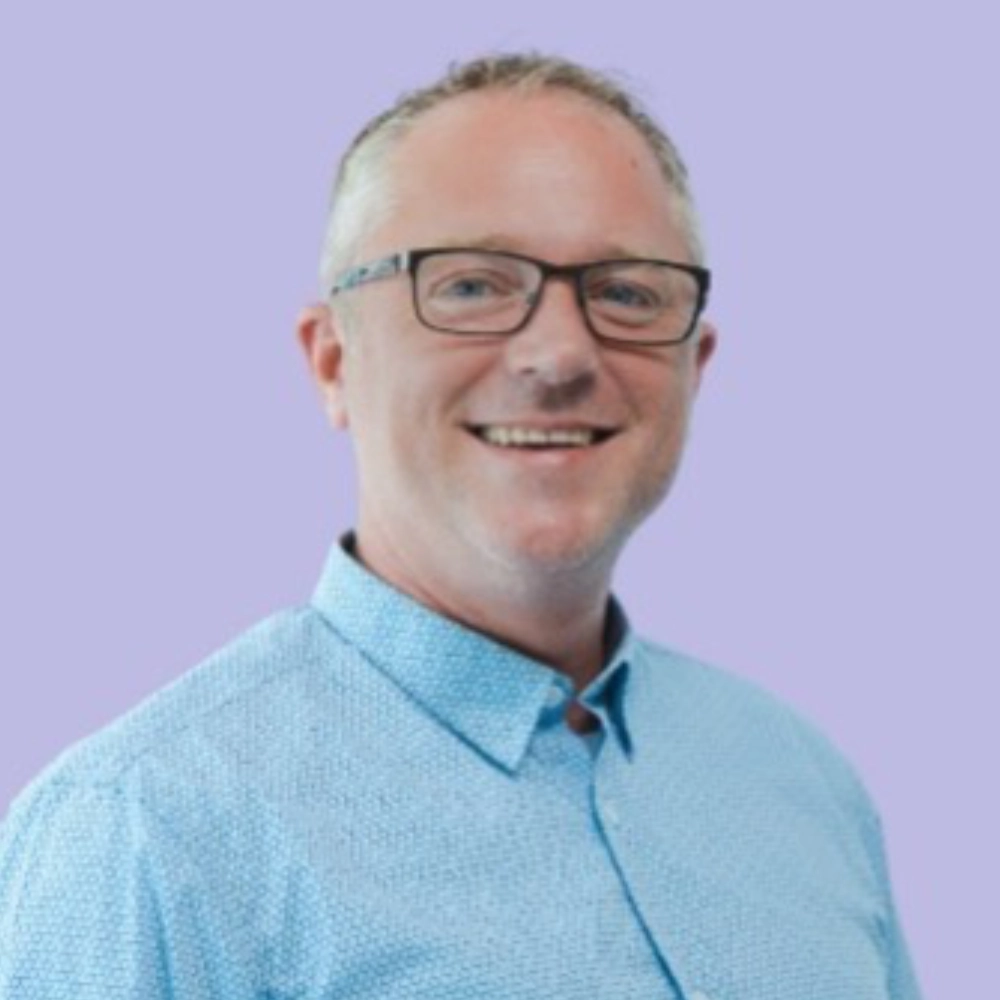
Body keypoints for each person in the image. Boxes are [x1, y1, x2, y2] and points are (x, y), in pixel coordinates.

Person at [0, 53, 922, 1000]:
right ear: (331, 362)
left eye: (626, 293)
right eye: (471, 285)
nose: (560, 353)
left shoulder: (803, 783)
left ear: (698, 364)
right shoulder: (144, 833)